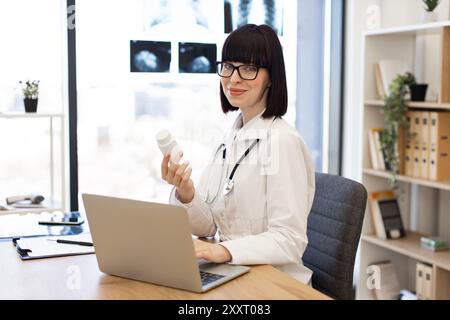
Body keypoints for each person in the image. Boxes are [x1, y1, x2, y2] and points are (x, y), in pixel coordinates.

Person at [161, 24, 315, 284]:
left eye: (249, 68)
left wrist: (222, 251)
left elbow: (289, 240)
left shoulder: (283, 141)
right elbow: (209, 226)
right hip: (236, 271)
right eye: (228, 66)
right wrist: (185, 192)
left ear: (271, 77)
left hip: (275, 281)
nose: (233, 78)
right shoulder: (229, 138)